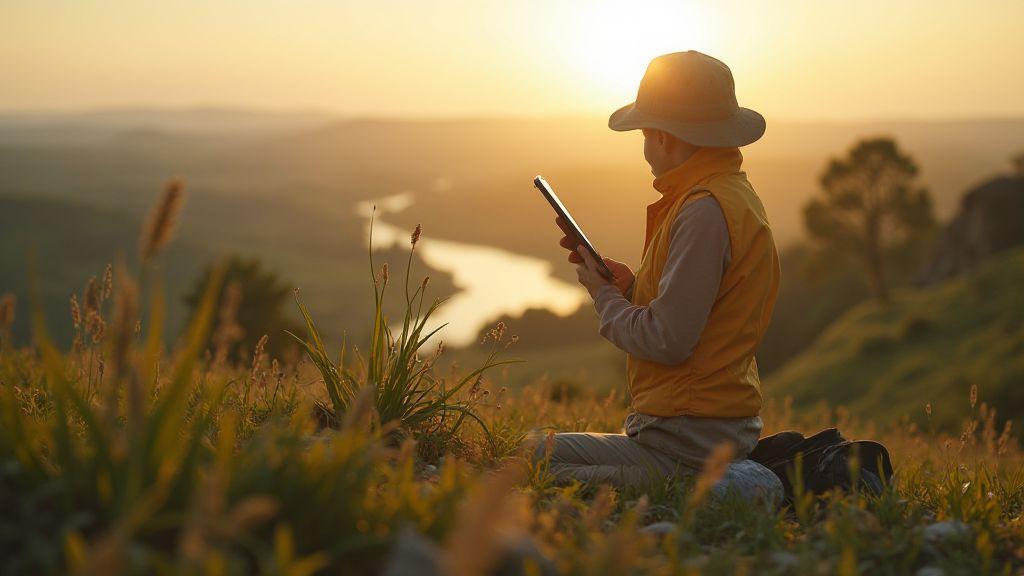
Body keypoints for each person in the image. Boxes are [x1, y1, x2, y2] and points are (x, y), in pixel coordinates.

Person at [536, 51, 783, 503]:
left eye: (647, 134)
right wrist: (629, 288)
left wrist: (603, 298)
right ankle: (719, 481)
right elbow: (707, 314)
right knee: (537, 452)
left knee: (531, 461)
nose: (645, 147)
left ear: (666, 138)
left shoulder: (702, 211)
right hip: (711, 425)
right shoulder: (730, 195)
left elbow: (669, 340)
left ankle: (708, 487)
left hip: (687, 437)